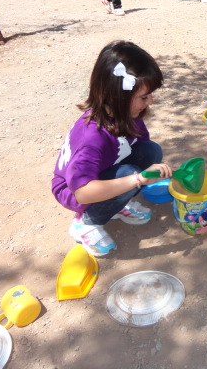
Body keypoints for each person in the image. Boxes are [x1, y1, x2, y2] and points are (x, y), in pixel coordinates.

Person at [52, 41, 172, 257]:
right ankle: (86, 223)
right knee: (130, 174)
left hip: (103, 171)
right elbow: (82, 191)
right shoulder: (92, 136)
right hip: (75, 190)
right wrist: (137, 180)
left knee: (151, 152)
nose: (150, 101)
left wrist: (138, 178)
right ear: (118, 96)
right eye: (144, 97)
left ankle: (115, 203)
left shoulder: (128, 115)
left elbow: (139, 146)